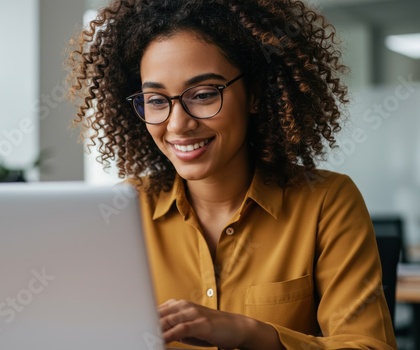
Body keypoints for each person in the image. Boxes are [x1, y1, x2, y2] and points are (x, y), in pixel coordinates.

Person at [67, 0, 397, 349]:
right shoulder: (124, 212)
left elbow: (369, 345)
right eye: (156, 100)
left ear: (254, 94)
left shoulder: (327, 201)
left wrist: (250, 333)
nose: (178, 124)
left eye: (205, 94)